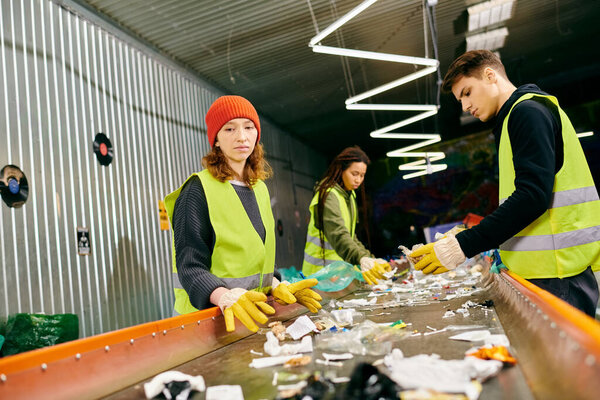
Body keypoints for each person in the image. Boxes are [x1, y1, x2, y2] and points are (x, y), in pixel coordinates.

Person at [411, 50, 600, 317]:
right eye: (459, 100)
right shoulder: (514, 117)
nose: (464, 107)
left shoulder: (527, 112)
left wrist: (464, 245)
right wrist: (473, 230)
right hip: (549, 272)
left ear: (490, 75)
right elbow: (521, 195)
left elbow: (532, 197)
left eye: (467, 92)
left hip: (560, 274)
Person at [164, 95, 322, 333]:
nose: (242, 136)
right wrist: (225, 297)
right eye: (229, 129)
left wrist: (277, 284)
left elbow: (257, 256)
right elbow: (190, 265)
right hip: (205, 323)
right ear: (216, 139)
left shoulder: (259, 189)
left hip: (250, 319)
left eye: (249, 127)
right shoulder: (197, 190)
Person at [302, 146, 390, 285]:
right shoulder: (328, 195)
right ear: (341, 170)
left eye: (362, 175)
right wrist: (361, 258)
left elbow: (350, 236)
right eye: (354, 174)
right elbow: (338, 234)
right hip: (320, 274)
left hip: (337, 274)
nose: (358, 180)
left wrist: (369, 258)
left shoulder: (348, 195)